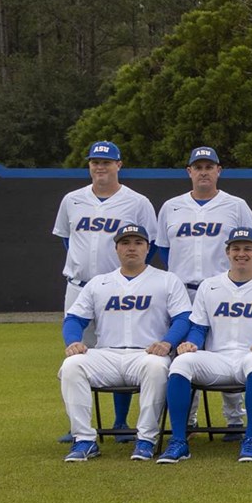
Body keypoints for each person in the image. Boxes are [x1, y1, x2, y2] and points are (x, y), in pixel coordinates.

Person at [157, 227, 252, 463]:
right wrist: (191, 343)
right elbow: (200, 327)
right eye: (236, 249)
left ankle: (250, 439)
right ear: (227, 252)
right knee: (181, 363)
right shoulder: (209, 286)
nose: (242, 253)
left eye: (248, 248)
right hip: (217, 357)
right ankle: (179, 441)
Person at [52, 140, 157, 441]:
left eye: (107, 162)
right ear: (89, 165)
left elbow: (148, 245)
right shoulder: (72, 199)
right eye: (95, 161)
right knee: (77, 353)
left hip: (120, 289)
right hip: (79, 285)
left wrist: (129, 276)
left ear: (119, 165)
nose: (100, 166)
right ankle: (78, 427)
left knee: (121, 348)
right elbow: (66, 239)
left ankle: (121, 421)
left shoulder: (137, 202)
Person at [57, 222, 189, 462]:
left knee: (157, 367)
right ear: (116, 249)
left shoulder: (167, 280)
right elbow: (74, 318)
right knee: (72, 365)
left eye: (138, 243)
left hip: (146, 353)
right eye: (125, 243)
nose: (132, 248)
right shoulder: (99, 283)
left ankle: (146, 439)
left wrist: (167, 343)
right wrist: (73, 341)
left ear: (148, 248)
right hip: (107, 354)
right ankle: (84, 439)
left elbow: (182, 318)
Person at [155, 146, 252, 439]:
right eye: (197, 167)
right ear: (189, 171)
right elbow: (164, 248)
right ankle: (186, 419)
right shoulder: (171, 207)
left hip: (224, 290)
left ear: (218, 171)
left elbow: (248, 245)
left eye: (208, 166)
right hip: (182, 292)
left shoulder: (236, 205)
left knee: (230, 348)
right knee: (184, 352)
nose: (203, 171)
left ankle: (235, 420)